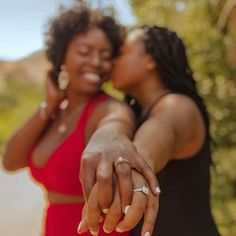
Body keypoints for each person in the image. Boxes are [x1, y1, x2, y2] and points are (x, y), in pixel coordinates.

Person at [2, 6, 159, 236]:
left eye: (106, 56)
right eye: (85, 52)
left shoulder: (109, 108)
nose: (96, 62)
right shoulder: (55, 113)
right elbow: (10, 161)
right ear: (61, 57)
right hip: (55, 226)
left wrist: (113, 136)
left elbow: (117, 123)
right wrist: (49, 104)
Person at [78, 25, 220, 236]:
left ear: (150, 60)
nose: (112, 62)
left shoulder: (179, 106)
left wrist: (134, 163)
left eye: (121, 53)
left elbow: (159, 134)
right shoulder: (139, 113)